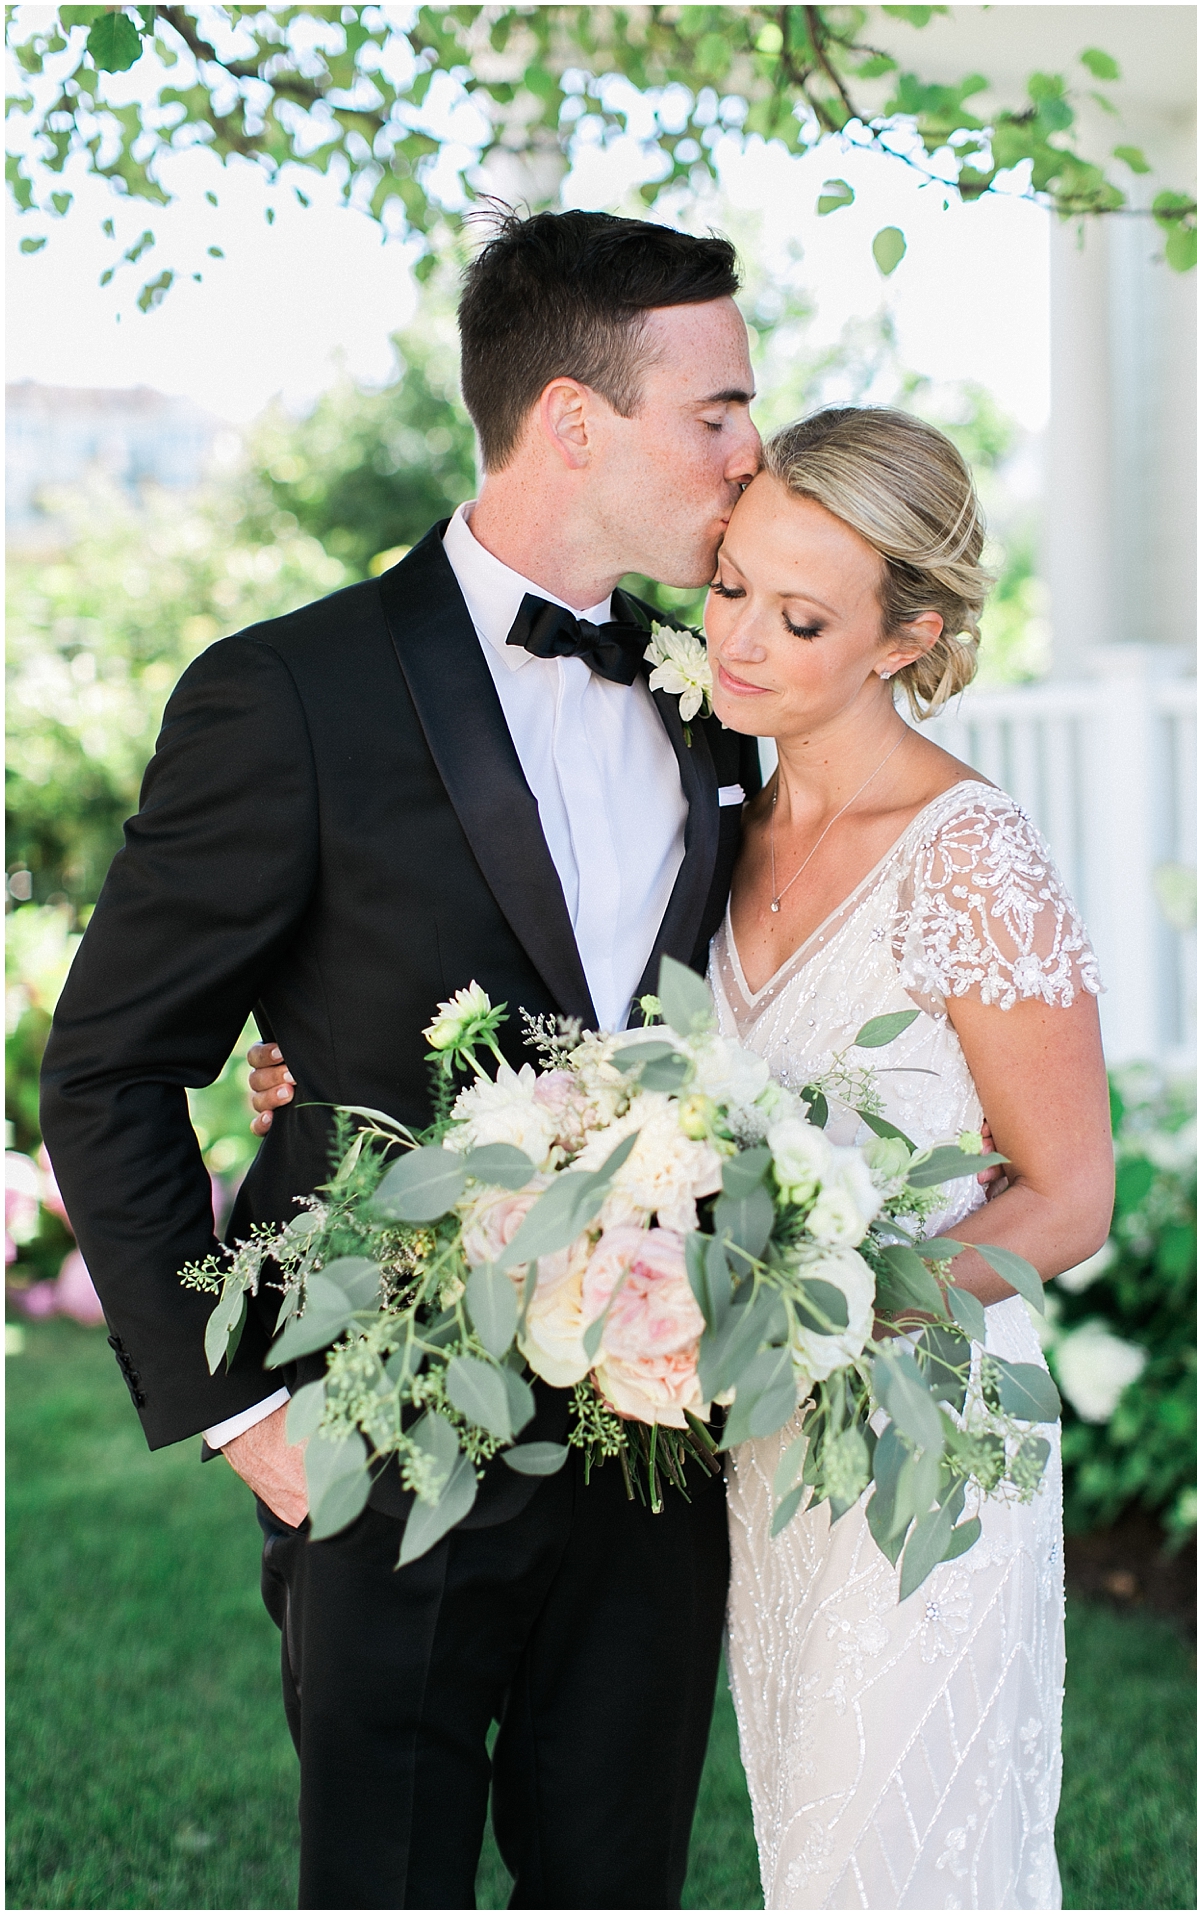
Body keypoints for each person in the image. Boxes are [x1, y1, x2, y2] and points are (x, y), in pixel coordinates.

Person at [254, 406, 1115, 1911]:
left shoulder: (969, 852)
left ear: (906, 636)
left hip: (919, 1434)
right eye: (730, 590)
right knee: (805, 1841)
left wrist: (825, 1318)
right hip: (753, 1448)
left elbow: (1071, 1189)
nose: (741, 641)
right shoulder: (718, 806)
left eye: (802, 617)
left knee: (900, 1848)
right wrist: (327, 1067)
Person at [39, 209, 763, 1911]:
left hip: (661, 1444)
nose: (752, 450)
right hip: (385, 1433)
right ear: (579, 420)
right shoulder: (287, 693)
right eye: (718, 410)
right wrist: (246, 1416)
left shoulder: (720, 695)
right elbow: (112, 1068)